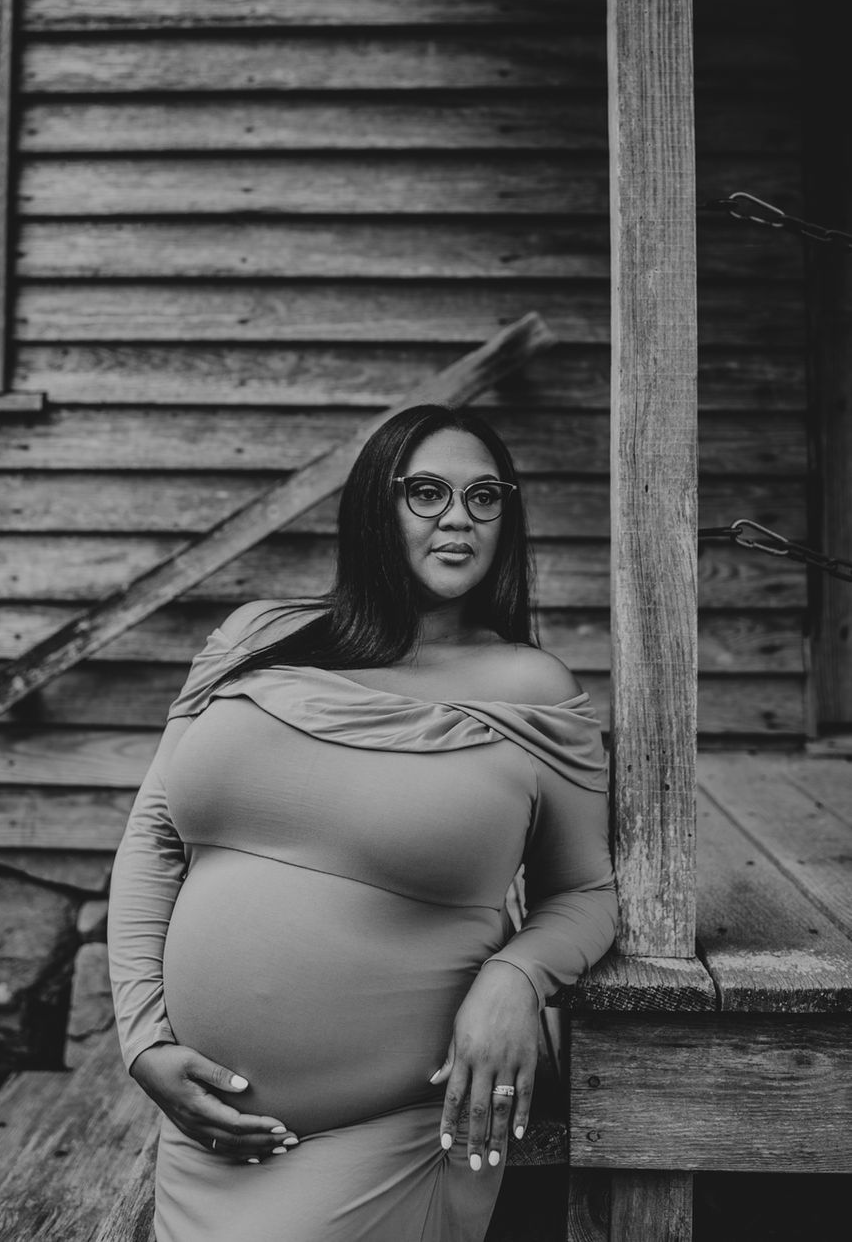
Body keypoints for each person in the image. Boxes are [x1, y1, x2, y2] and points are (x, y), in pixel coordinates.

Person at [107, 403, 617, 1242]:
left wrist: (516, 977)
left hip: (390, 1131)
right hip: (202, 1126)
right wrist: (142, 1043)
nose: (458, 517)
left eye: (483, 496)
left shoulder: (529, 688)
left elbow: (586, 892)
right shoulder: (255, 636)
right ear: (375, 507)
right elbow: (153, 838)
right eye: (427, 492)